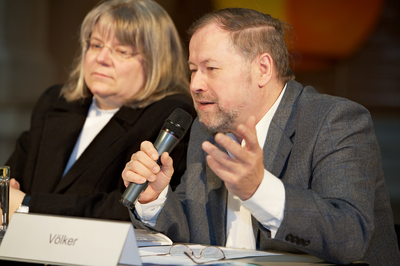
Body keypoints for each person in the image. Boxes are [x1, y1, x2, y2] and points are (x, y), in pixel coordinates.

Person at [122, 7, 400, 266]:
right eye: (193, 69)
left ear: (262, 69)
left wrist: (259, 190)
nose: (195, 85)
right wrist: (154, 198)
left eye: (211, 69)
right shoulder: (206, 127)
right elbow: (195, 232)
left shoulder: (334, 119)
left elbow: (351, 236)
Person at [3, 0, 195, 222]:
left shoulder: (170, 114)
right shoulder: (56, 101)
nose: (101, 59)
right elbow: (10, 178)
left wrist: (26, 205)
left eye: (122, 51)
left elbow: (125, 207)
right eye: (95, 45)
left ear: (156, 60)